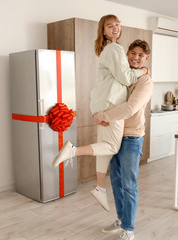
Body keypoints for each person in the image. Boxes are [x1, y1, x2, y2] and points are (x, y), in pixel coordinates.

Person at [52, 14, 149, 212]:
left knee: (104, 148)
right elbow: (126, 77)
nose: (115, 28)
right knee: (112, 147)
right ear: (103, 31)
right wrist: (144, 70)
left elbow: (122, 77)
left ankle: (100, 188)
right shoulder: (115, 48)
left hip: (102, 104)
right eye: (110, 26)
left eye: (118, 25)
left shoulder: (108, 49)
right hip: (111, 106)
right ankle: (73, 151)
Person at [95, 39, 153, 240]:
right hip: (115, 134)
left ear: (146, 59)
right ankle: (120, 219)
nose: (136, 58)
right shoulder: (123, 75)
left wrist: (103, 115)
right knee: (116, 181)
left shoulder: (145, 81)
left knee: (129, 183)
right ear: (127, 54)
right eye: (133, 53)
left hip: (131, 137)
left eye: (141, 55)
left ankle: (129, 228)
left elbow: (130, 108)